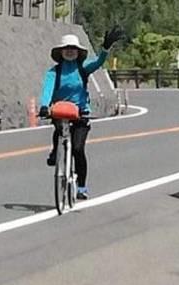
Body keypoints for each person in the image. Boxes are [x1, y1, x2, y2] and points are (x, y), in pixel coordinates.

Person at [38, 26, 125, 199]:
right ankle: (55, 152)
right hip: (60, 110)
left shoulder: (82, 68)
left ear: (78, 52)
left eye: (73, 49)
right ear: (61, 52)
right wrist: (44, 105)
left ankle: (82, 186)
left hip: (81, 114)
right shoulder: (54, 72)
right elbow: (47, 89)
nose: (70, 52)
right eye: (67, 49)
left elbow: (98, 63)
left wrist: (105, 48)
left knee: (78, 149)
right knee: (58, 130)